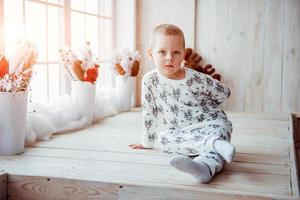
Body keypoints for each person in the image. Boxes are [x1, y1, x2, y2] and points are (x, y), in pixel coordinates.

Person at [129, 24, 235, 183]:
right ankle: (204, 166)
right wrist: (147, 141)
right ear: (151, 54)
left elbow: (224, 92)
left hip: (211, 124)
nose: (169, 58)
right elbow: (149, 111)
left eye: (176, 52)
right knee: (164, 139)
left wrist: (210, 108)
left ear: (183, 54)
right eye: (162, 52)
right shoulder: (150, 81)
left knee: (219, 132)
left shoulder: (196, 79)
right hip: (181, 132)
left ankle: (208, 154)